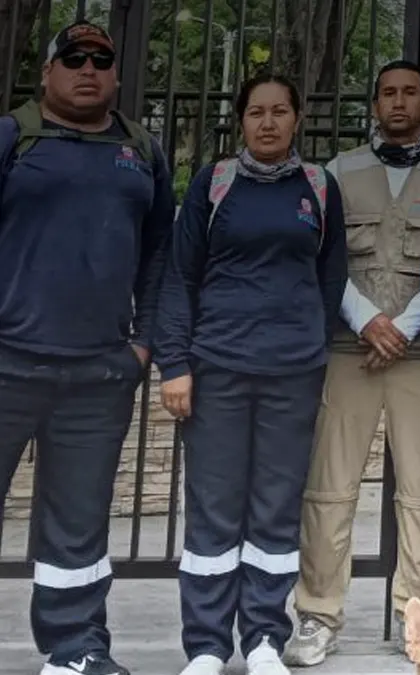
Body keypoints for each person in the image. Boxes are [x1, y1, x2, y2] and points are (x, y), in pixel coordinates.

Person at [152, 73, 348, 675]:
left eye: (280, 111)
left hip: (293, 370)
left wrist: (309, 342)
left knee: (274, 504)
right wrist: (176, 364)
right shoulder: (215, 184)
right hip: (218, 367)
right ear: (241, 120)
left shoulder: (318, 186)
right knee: (214, 504)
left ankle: (264, 637)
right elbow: (180, 277)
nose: (268, 122)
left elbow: (330, 277)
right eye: (257, 112)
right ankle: (208, 645)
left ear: (296, 119)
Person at [0, 20, 174, 675]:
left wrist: (144, 343)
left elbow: (160, 253)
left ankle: (75, 649)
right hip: (7, 362)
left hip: (99, 371)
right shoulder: (15, 138)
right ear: (47, 72)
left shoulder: (142, 151)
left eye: (101, 59)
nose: (88, 69)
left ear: (117, 76)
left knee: (78, 523)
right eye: (72, 59)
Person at [285, 59, 420, 667]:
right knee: (329, 490)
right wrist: (367, 321)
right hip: (349, 349)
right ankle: (317, 616)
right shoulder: (336, 173)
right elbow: (326, 259)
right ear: (374, 104)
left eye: (409, 93)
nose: (397, 102)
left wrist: (401, 327)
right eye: (387, 93)